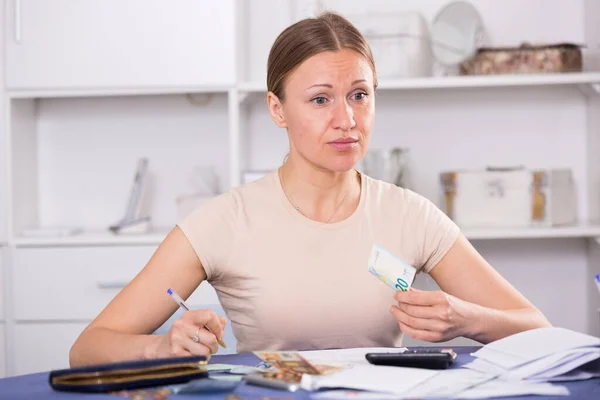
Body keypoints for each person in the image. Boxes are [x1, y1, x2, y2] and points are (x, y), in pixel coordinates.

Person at [69, 11, 550, 367]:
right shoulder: (224, 222)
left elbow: (537, 330)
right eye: (320, 99)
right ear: (277, 110)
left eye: (359, 95)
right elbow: (88, 348)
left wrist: (467, 318)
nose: (347, 120)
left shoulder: (411, 216)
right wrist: (162, 346)